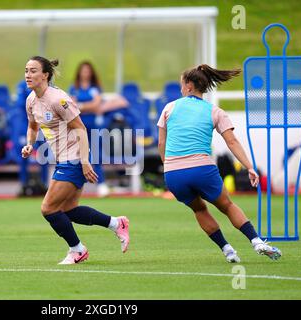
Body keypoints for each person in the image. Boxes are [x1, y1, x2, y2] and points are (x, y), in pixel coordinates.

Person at [157, 64, 281, 263]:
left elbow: (162, 143)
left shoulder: (169, 108)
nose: (181, 89)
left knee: (199, 209)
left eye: (182, 85)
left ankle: (227, 249)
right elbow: (231, 141)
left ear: (189, 86)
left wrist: (168, 167)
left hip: (174, 173)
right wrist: (249, 167)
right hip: (202, 169)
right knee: (227, 206)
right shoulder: (215, 111)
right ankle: (257, 241)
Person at [22, 56, 130, 264]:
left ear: (45, 75)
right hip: (63, 159)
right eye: (26, 70)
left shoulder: (58, 99)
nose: (28, 74)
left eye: (33, 70)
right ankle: (117, 224)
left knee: (48, 209)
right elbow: (32, 126)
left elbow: (80, 128)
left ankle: (77, 250)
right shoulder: (31, 100)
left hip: (73, 158)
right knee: (68, 210)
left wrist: (85, 161)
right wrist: (30, 144)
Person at [69, 61, 110, 197]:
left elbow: (96, 105)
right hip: (78, 125)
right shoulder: (74, 88)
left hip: (93, 125)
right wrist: (88, 106)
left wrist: (81, 106)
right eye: (83, 70)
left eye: (88, 70)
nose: (85, 73)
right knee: (78, 154)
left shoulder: (94, 88)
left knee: (96, 154)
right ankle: (75, 186)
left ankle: (101, 184)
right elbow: (71, 105)